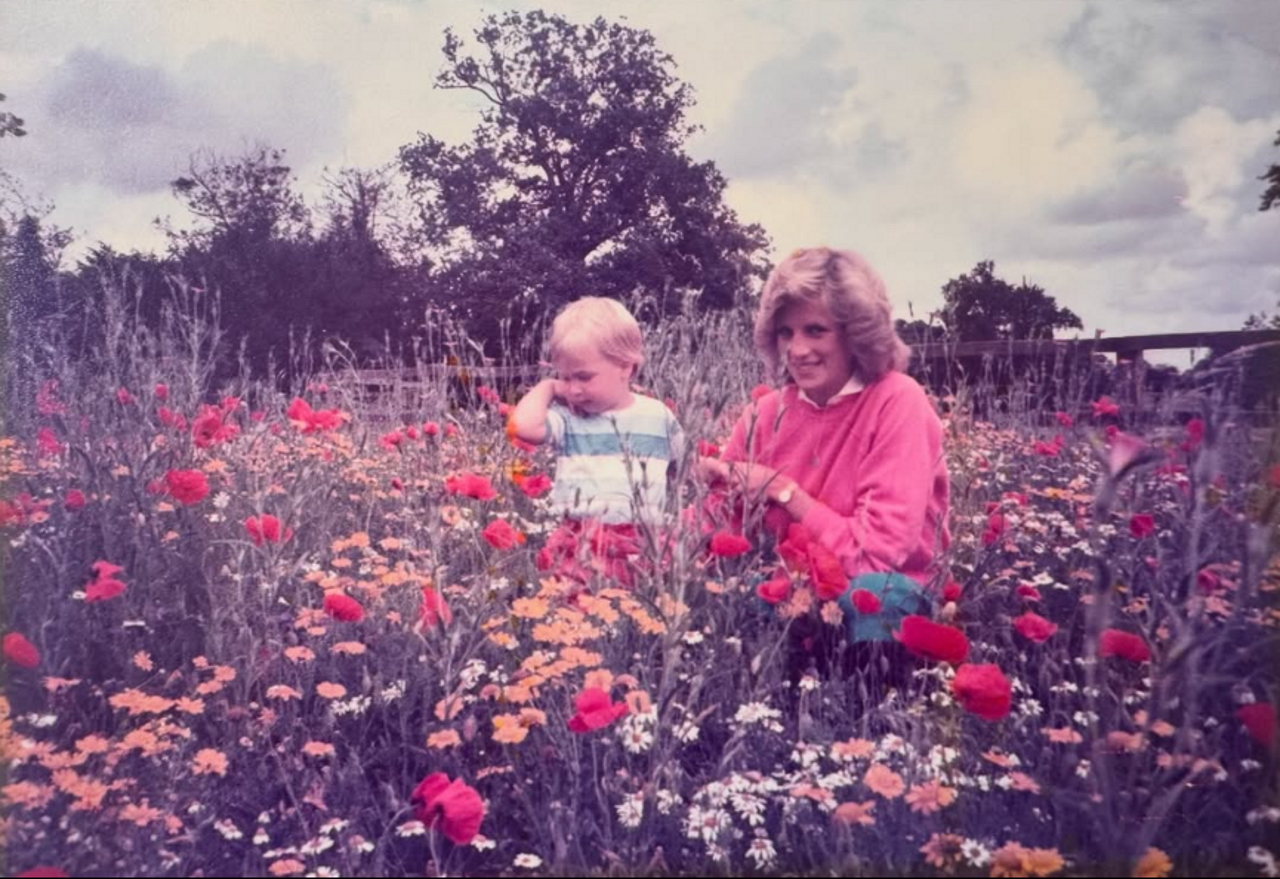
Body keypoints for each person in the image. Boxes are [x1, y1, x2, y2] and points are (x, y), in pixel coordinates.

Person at [699, 247, 950, 687]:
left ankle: (871, 732)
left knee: (872, 596)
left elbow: (876, 555)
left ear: (856, 334)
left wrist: (782, 491)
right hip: (790, 590)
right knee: (714, 604)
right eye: (785, 333)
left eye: (816, 330)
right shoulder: (765, 412)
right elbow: (718, 525)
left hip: (879, 595)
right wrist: (624, 539)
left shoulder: (897, 400)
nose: (798, 350)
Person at [510, 296, 684, 587]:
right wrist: (548, 387)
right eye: (565, 378)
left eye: (584, 377)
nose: (574, 390)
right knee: (576, 620)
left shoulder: (658, 417)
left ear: (625, 367)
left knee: (634, 618)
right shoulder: (568, 419)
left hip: (640, 544)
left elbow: (683, 471)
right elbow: (523, 427)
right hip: (579, 543)